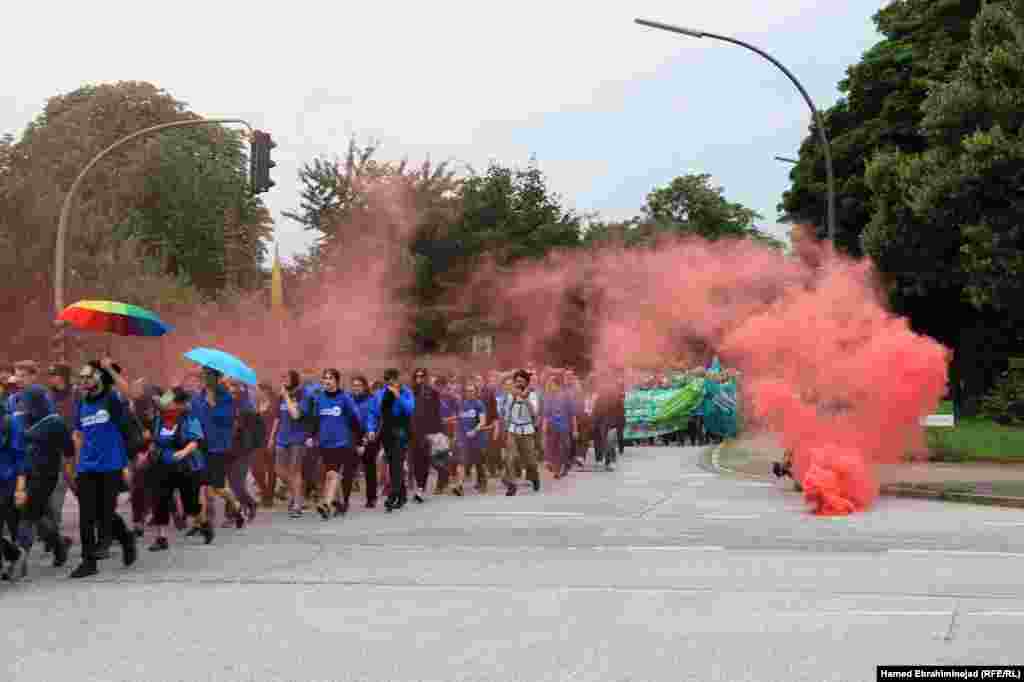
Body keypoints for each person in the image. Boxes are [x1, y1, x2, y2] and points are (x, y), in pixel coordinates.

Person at [68, 361, 138, 579]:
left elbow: (130, 394)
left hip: (111, 464)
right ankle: (88, 561)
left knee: (105, 511)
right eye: (81, 377)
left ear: (99, 378)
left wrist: (109, 369)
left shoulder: (111, 399)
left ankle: (122, 539)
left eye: (88, 376)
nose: (83, 380)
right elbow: (78, 435)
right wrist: (76, 466)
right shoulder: (82, 403)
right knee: (87, 515)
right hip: (87, 466)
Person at [14, 385, 75, 573]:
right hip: (23, 473)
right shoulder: (20, 419)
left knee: (28, 513)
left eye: (26, 401)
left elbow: (69, 450)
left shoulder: (54, 422)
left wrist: (69, 471)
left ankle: (20, 558)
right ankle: (59, 547)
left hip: (45, 476)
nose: (23, 405)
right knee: (39, 514)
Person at [147, 387, 205, 551]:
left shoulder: (189, 419)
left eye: (169, 400)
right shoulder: (160, 418)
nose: (164, 402)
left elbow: (195, 441)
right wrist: (151, 447)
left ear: (179, 404)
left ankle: (204, 524)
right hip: (163, 465)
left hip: (185, 466)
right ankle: (161, 538)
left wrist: (183, 452)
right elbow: (156, 439)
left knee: (190, 505)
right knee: (160, 499)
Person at [190, 367, 244, 538]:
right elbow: (193, 416)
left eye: (208, 375)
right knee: (200, 485)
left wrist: (213, 405)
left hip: (218, 447)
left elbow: (227, 420)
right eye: (203, 375)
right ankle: (201, 522)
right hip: (200, 446)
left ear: (217, 377)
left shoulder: (226, 397)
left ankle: (236, 506)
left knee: (218, 488)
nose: (205, 378)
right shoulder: (198, 396)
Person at [311, 369, 365, 519]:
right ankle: (340, 503)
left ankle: (326, 503)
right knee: (331, 473)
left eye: (330, 378)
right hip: (324, 442)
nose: (327, 381)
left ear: (336, 381)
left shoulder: (345, 398)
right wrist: (311, 436)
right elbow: (316, 420)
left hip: (341, 442)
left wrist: (360, 441)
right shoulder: (319, 398)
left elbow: (356, 420)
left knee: (332, 474)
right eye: (325, 378)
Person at [269, 370, 312, 518]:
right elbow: (277, 418)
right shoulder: (281, 397)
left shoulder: (302, 395)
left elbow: (295, 414)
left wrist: (286, 396)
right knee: (279, 469)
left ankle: (297, 505)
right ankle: (297, 493)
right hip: (282, 437)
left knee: (295, 471)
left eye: (286, 377)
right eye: (282, 377)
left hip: (297, 439)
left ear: (294, 379)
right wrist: (271, 437)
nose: (283, 380)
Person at [371, 369, 415, 512]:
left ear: (398, 379)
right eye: (388, 379)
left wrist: (398, 396)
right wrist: (371, 429)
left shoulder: (406, 392)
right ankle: (402, 496)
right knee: (393, 463)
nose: (391, 382)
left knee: (397, 462)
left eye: (394, 379)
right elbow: (373, 413)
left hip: (401, 431)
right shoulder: (379, 394)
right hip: (386, 431)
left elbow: (409, 409)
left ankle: (392, 495)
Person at [225, 380, 261, 524]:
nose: (232, 391)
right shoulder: (225, 405)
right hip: (226, 449)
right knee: (227, 485)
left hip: (242, 450)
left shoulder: (247, 407)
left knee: (237, 484)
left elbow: (253, 430)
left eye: (235, 387)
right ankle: (233, 514)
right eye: (230, 388)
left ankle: (250, 504)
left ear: (241, 389)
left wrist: (238, 424)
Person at [500, 370, 541, 496]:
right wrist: (505, 428)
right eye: (516, 381)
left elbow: (534, 412)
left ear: (526, 382)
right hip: (513, 429)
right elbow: (505, 412)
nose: (518, 383)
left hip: (527, 430)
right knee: (510, 458)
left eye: (521, 381)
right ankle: (512, 484)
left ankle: (534, 477)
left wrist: (525, 397)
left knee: (530, 461)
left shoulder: (532, 394)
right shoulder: (510, 395)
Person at [409, 368, 442, 504]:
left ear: (426, 378)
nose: (419, 379)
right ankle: (419, 486)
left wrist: (437, 432)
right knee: (415, 461)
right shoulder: (409, 392)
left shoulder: (433, 393)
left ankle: (421, 488)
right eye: (417, 376)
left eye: (422, 376)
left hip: (427, 432)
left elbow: (436, 413)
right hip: (412, 432)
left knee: (425, 460)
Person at [350, 375, 380, 509]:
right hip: (352, 435)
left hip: (369, 434)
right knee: (349, 467)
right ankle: (344, 498)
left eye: (359, 386)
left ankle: (371, 498)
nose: (356, 388)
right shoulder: (349, 399)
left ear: (364, 387)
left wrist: (366, 438)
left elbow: (374, 419)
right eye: (354, 386)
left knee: (369, 467)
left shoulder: (372, 400)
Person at [452, 383, 487, 496]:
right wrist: (456, 435)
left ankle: (482, 483)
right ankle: (459, 486)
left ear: (475, 392)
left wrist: (474, 430)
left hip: (477, 438)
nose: (470, 393)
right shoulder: (461, 404)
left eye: (472, 391)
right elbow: (459, 420)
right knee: (462, 462)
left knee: (479, 462)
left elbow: (483, 422)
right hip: (464, 438)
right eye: (468, 391)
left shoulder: (479, 404)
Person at [542, 372, 579, 479]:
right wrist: (544, 426)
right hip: (552, 428)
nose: (549, 386)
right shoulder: (549, 397)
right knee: (553, 449)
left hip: (564, 427)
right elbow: (546, 414)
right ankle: (556, 468)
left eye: (551, 384)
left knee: (564, 449)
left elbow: (572, 414)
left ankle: (562, 467)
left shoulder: (566, 396)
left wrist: (575, 430)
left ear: (556, 384)